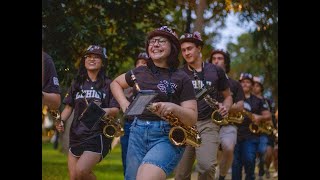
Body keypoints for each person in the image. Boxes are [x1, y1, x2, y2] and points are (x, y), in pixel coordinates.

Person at [110, 26, 198, 180]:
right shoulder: (139, 72)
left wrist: (174, 108)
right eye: (152, 41)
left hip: (166, 135)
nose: (155, 44)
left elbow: (192, 117)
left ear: (173, 47)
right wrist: (124, 104)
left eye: (161, 41)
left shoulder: (182, 78)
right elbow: (115, 83)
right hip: (137, 131)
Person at [55, 45, 120, 180]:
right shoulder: (77, 84)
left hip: (97, 135)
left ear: (102, 62)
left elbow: (115, 110)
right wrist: (60, 120)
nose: (92, 59)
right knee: (74, 177)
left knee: (81, 171)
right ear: (84, 61)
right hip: (76, 134)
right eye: (89, 56)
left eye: (96, 57)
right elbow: (68, 107)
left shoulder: (109, 84)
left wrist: (101, 111)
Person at [174, 32, 233, 180]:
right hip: (185, 124)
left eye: (190, 48)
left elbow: (228, 96)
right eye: (183, 50)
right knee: (181, 174)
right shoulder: (179, 74)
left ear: (199, 48)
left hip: (209, 124)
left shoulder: (216, 70)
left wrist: (226, 107)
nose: (186, 53)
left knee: (206, 167)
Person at [209, 49, 245, 180]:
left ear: (226, 63)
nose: (216, 60)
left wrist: (224, 107)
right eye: (214, 58)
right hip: (208, 123)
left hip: (228, 124)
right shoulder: (206, 81)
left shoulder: (235, 84)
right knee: (208, 159)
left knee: (229, 149)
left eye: (220, 58)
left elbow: (240, 106)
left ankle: (222, 176)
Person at [232, 73, 271, 180]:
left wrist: (259, 117)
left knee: (249, 159)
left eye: (248, 82)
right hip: (234, 134)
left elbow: (267, 115)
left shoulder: (258, 100)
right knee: (235, 164)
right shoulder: (233, 97)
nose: (245, 84)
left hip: (251, 136)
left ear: (252, 85)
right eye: (243, 82)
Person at [120, 52, 149, 177]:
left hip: (147, 125)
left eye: (145, 63)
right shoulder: (129, 81)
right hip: (129, 124)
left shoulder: (153, 81)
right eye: (139, 63)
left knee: (146, 162)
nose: (141, 65)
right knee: (128, 159)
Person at [252, 76, 276, 179]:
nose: (255, 87)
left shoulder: (267, 101)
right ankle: (261, 171)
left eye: (257, 85)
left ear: (261, 87)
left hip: (267, 130)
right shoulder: (249, 100)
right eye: (254, 85)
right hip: (254, 130)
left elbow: (272, 116)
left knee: (269, 153)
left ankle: (266, 167)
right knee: (260, 153)